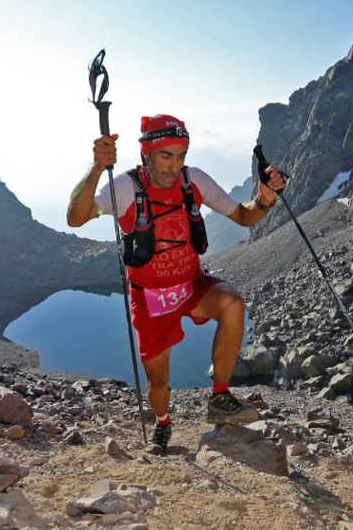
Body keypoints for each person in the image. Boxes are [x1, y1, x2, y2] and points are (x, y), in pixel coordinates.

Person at [66, 114, 286, 455]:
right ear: (146, 154)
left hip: (190, 284)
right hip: (150, 296)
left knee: (233, 304)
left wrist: (265, 197)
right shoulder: (126, 187)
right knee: (158, 383)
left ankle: (220, 396)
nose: (174, 165)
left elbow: (244, 217)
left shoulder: (192, 181)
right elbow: (76, 217)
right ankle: (163, 424)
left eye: (180, 155)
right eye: (165, 156)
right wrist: (97, 167)